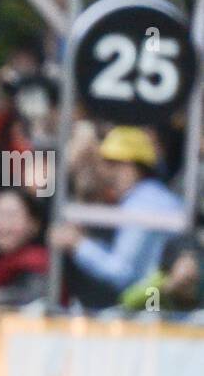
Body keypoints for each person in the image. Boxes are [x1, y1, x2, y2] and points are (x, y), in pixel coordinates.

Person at [50, 127, 184, 299]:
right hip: (157, 300)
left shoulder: (143, 204)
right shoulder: (151, 196)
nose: (105, 172)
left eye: (111, 163)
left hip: (155, 305)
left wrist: (78, 245)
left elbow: (122, 274)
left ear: (132, 166)